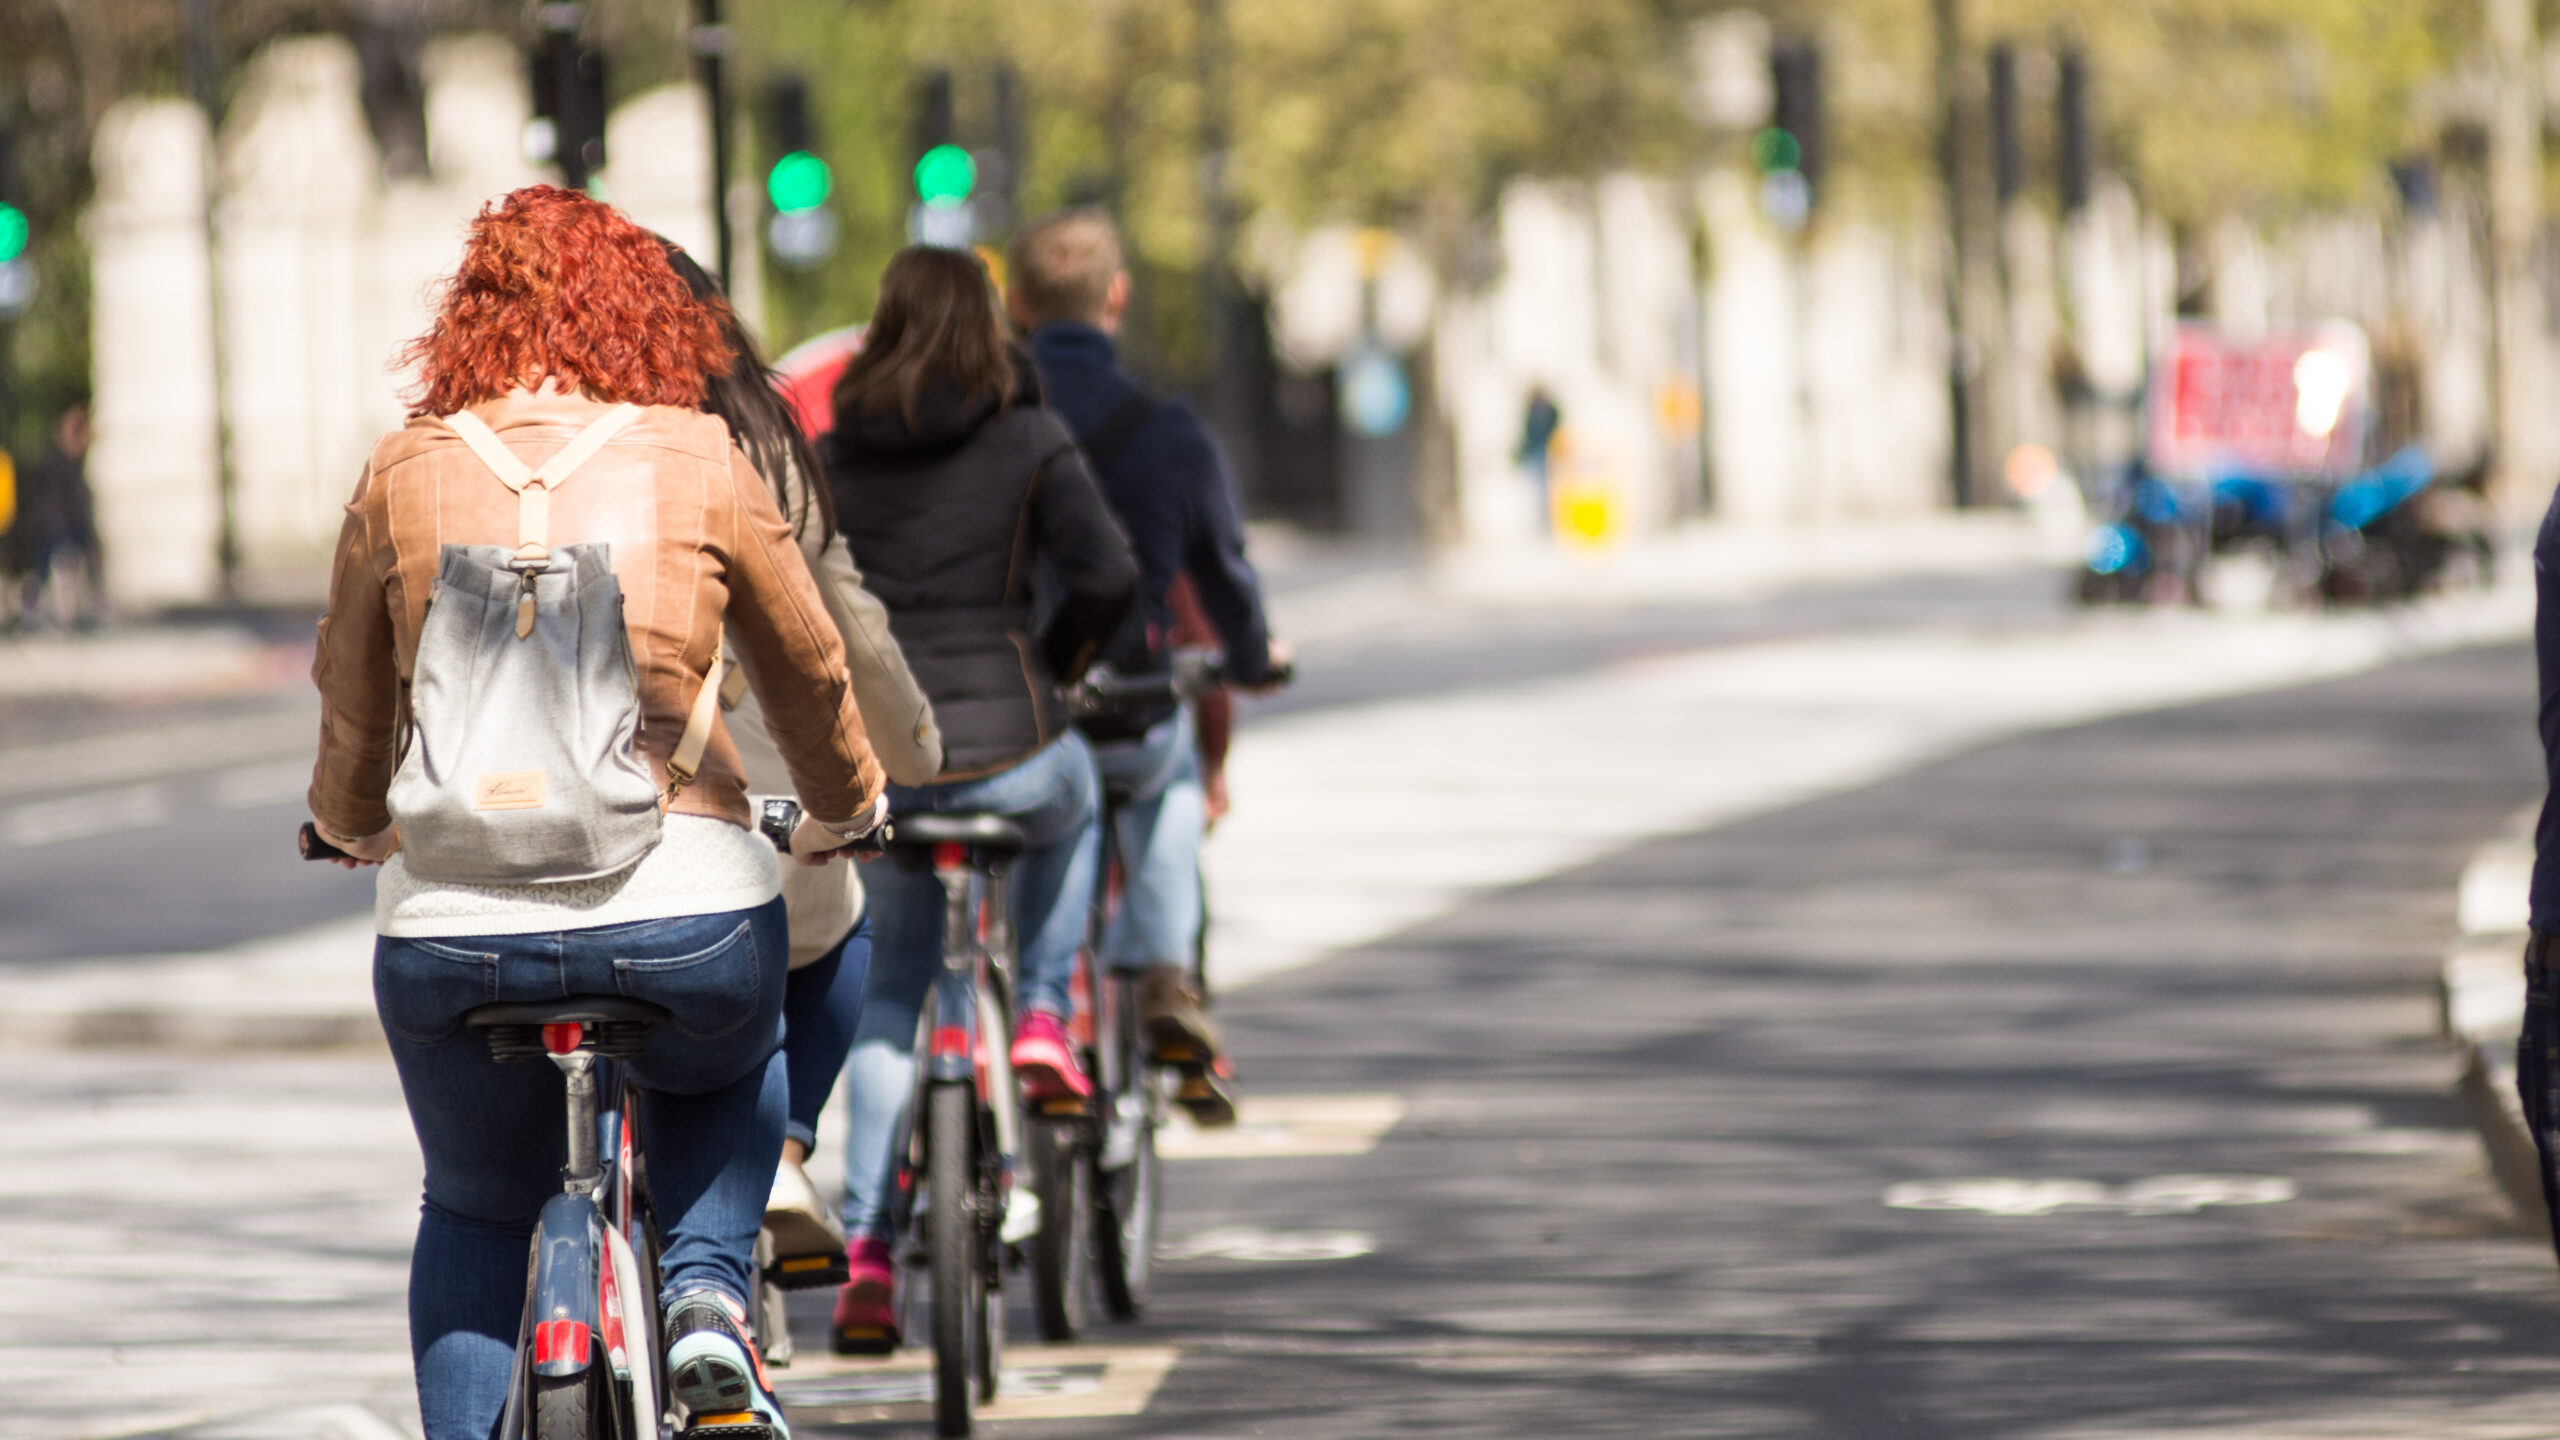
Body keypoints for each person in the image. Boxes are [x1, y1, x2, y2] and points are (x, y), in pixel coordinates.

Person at [306, 186, 886, 1440]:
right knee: (735, 1058)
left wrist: (351, 825)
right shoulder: (700, 456)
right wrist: (850, 805)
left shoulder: (401, 470)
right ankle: (705, 1302)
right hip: (679, 906)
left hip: (450, 930)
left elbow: (351, 702)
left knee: (471, 1203)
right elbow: (809, 669)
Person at [824, 244, 1138, 1352]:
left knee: (890, 995)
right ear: (989, 324)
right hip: (1012, 744)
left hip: (891, 765)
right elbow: (1106, 576)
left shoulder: (833, 453)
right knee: (1080, 793)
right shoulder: (1031, 436)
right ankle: (1046, 1012)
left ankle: (864, 1251)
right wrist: (1052, 664)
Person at [659, 243, 947, 1271]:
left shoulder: (492, 447)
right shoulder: (756, 441)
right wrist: (894, 768)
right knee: (830, 942)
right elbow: (835, 630)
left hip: (526, 821)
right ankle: (777, 1153)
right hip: (730, 795)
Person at [1005, 208, 1284, 1100]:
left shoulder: (991, 420)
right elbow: (1222, 571)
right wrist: (1250, 655)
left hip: (1011, 706)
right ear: (1117, 296)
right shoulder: (1166, 428)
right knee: (1165, 773)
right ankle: (1165, 972)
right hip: (1128, 695)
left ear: (1015, 303)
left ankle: (1015, 1013)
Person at [12, 403, 104, 628]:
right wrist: (64, 533)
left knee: (63, 581)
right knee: (54, 579)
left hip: (69, 532)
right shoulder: (57, 465)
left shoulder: (75, 464)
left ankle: (61, 618)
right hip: (57, 533)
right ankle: (39, 616)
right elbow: (54, 505)